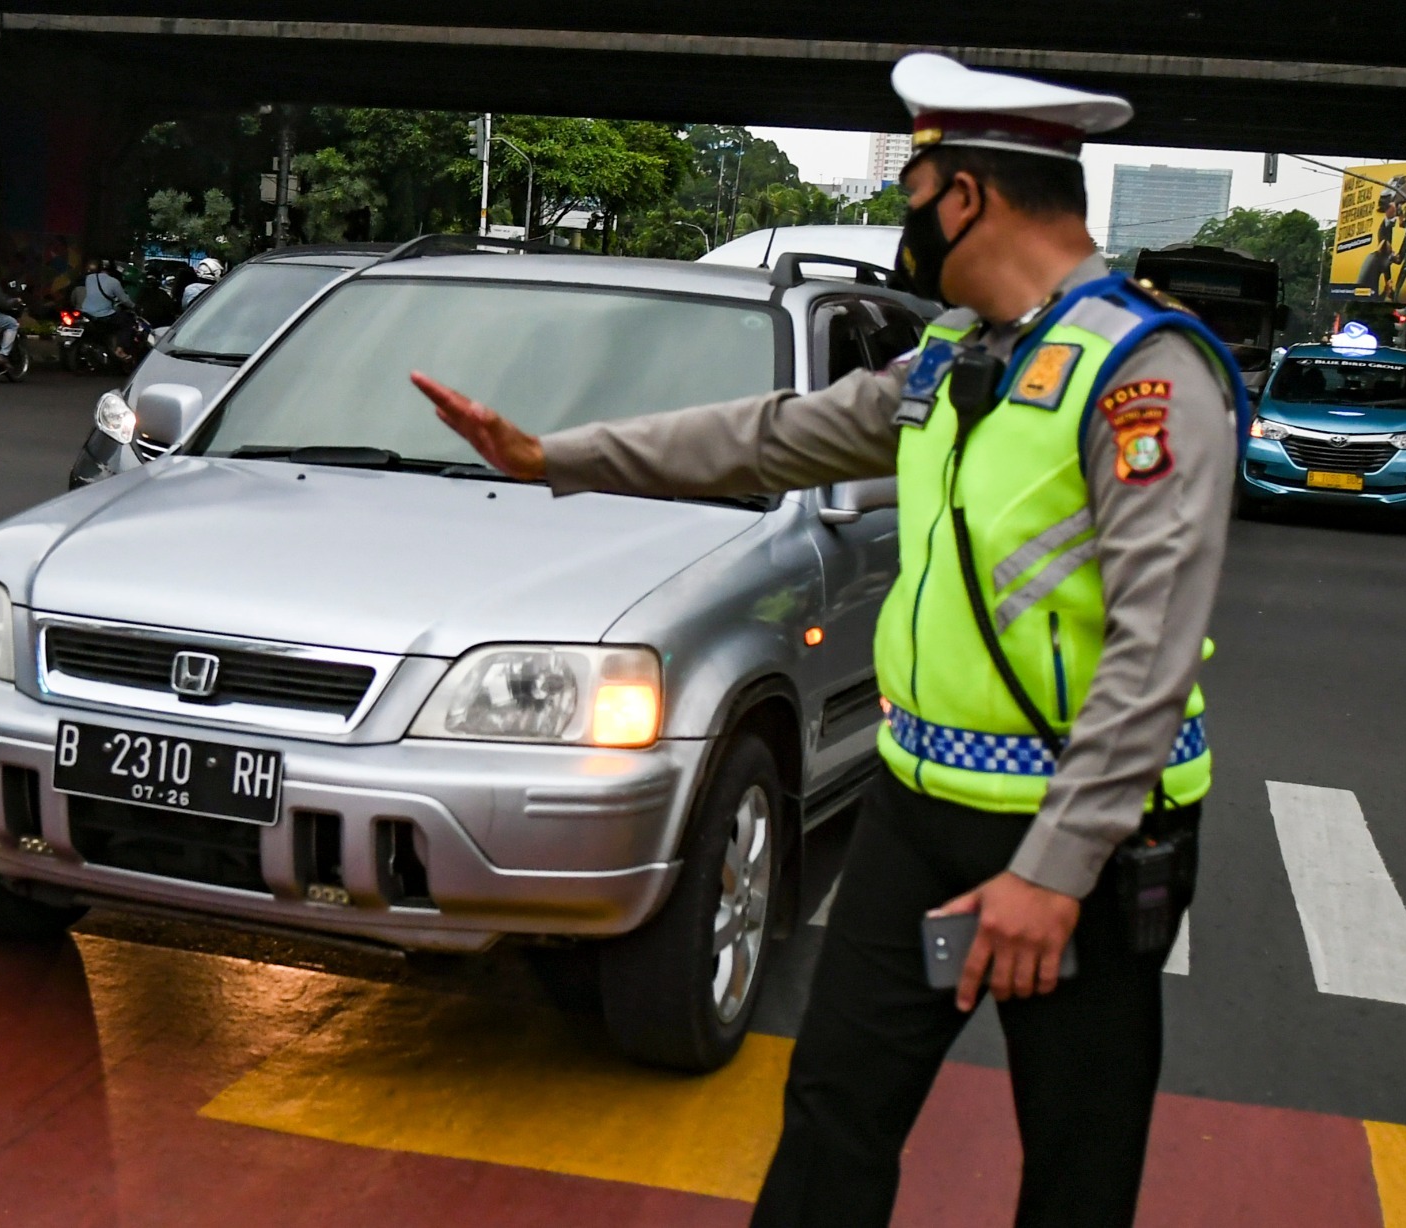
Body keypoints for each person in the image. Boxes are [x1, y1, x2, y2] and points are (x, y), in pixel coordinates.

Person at [413, 52, 1244, 1228]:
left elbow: (1152, 655)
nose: (903, 218)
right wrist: (557, 456)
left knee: (1078, 1146)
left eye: (914, 189)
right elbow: (769, 438)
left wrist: (1056, 874)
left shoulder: (1145, 377)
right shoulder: (958, 357)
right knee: (837, 1107)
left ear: (968, 197)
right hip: (918, 814)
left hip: (1092, 842)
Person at [79, 257, 139, 363]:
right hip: (104, 315)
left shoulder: (89, 278)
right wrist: (134, 306)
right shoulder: (114, 282)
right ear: (112, 270)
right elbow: (124, 300)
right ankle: (120, 349)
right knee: (127, 322)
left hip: (86, 312)